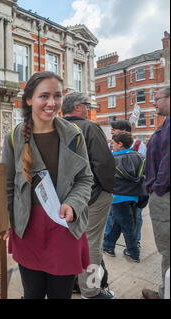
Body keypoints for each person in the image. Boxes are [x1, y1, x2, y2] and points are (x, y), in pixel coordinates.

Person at [0, 71, 93, 299]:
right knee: (32, 294)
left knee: (60, 295)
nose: (52, 103)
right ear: (29, 99)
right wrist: (3, 220)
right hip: (27, 227)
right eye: (44, 96)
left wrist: (73, 203)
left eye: (57, 96)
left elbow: (85, 179)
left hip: (64, 227)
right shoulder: (13, 138)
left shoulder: (75, 135)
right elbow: (7, 186)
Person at [62, 92, 116, 299]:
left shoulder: (54, 127)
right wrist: (109, 189)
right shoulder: (89, 127)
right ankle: (91, 291)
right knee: (92, 243)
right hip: (92, 196)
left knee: (70, 241)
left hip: (64, 199)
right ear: (77, 107)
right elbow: (104, 163)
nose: (88, 109)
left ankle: (72, 283)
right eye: (86, 105)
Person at [142, 86, 170, 299]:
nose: (154, 103)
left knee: (168, 249)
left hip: (165, 195)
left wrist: (158, 187)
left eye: (157, 98)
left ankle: (165, 293)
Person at [103, 132, 147, 263]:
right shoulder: (140, 157)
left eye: (114, 142)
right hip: (135, 195)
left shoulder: (111, 159)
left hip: (117, 196)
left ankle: (133, 252)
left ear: (120, 144)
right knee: (120, 222)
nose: (112, 144)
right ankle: (108, 245)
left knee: (127, 225)